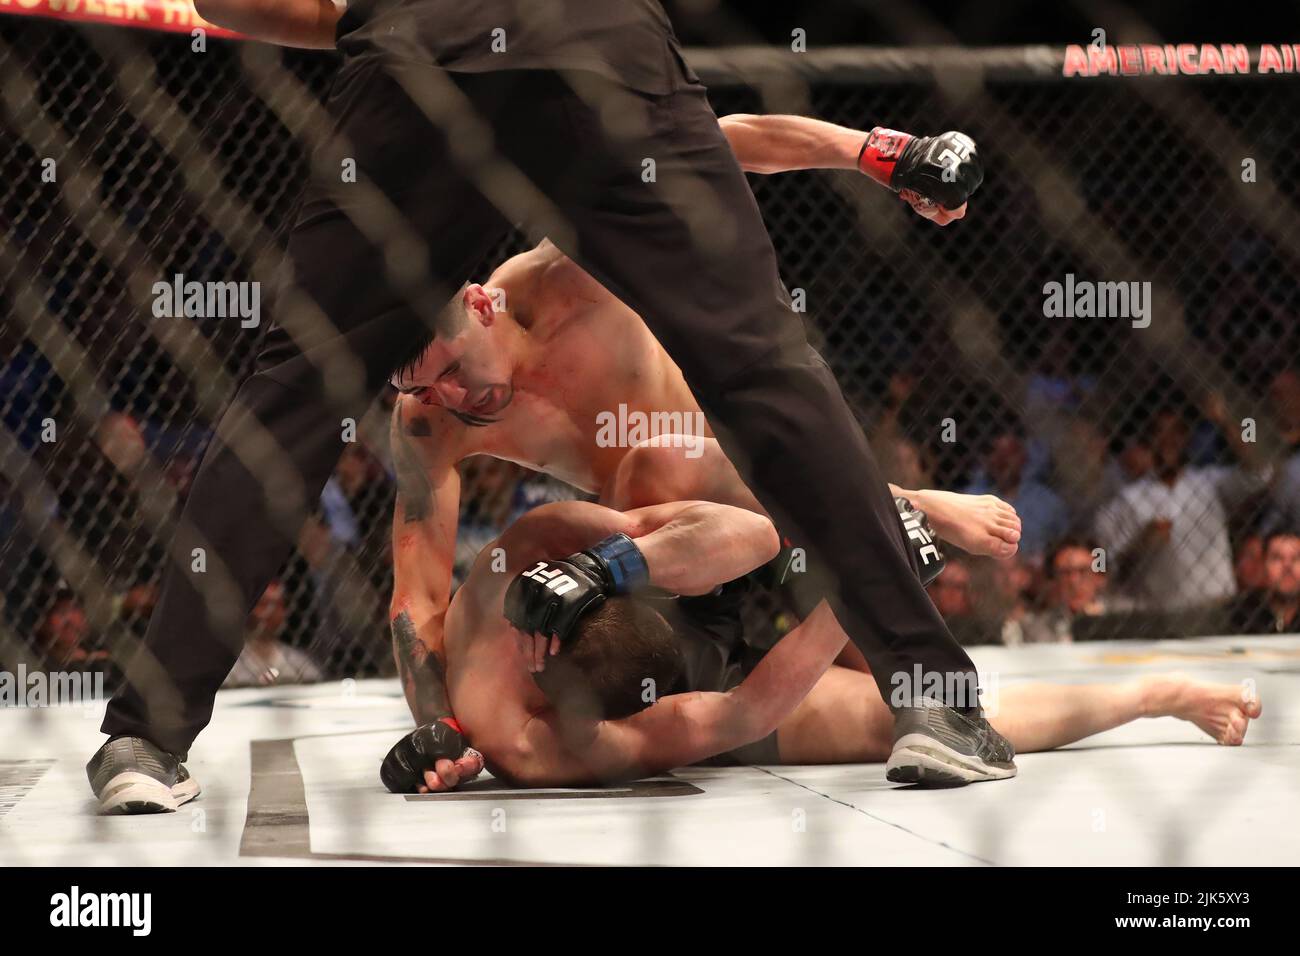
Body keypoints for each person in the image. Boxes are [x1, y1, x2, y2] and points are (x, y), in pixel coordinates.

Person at [89, 0, 999, 813]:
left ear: (478, 300)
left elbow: (739, 139)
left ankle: (147, 733)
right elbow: (417, 589)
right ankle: (931, 692)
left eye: (438, 362)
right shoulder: (424, 420)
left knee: (286, 396)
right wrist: (441, 723)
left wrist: (874, 151)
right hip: (598, 47)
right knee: (766, 371)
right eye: (413, 380)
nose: (441, 394)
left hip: (421, 52)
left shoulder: (561, 282)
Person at [378, 441, 1260, 792]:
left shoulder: (517, 563)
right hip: (717, 673)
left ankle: (900, 501)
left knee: (665, 466)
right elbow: (741, 711)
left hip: (679, 567)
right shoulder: (550, 747)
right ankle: (1158, 694)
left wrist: (609, 563)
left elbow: (722, 527)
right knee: (912, 712)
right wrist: (847, 590)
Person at [1228, 530, 1300, 634]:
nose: (1287, 566)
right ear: (1264, 566)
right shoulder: (1240, 614)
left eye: (1296, 558)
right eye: (1277, 558)